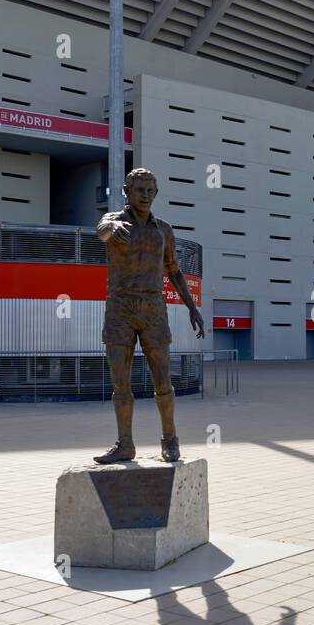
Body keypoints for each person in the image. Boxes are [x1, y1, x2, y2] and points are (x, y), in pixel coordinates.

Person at [94, 168, 206, 464]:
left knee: (162, 380)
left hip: (154, 308)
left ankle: (170, 441)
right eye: (139, 190)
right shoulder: (114, 221)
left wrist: (192, 307)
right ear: (127, 192)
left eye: (149, 191)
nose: (144, 195)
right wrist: (110, 229)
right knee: (120, 382)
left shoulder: (164, 230)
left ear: (155, 193)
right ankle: (125, 445)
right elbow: (102, 229)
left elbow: (174, 271)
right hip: (120, 308)